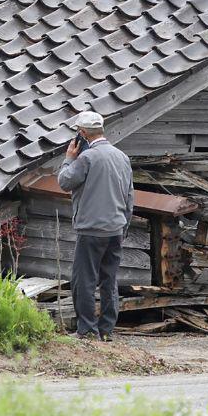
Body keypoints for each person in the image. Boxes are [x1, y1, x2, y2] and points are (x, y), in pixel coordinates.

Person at [56, 111, 134, 341]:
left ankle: (87, 330)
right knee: (109, 281)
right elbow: (130, 196)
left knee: (84, 280)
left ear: (82, 134)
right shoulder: (122, 157)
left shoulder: (86, 158)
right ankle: (107, 330)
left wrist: (69, 158)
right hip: (116, 229)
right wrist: (124, 226)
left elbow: (64, 181)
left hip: (91, 230)